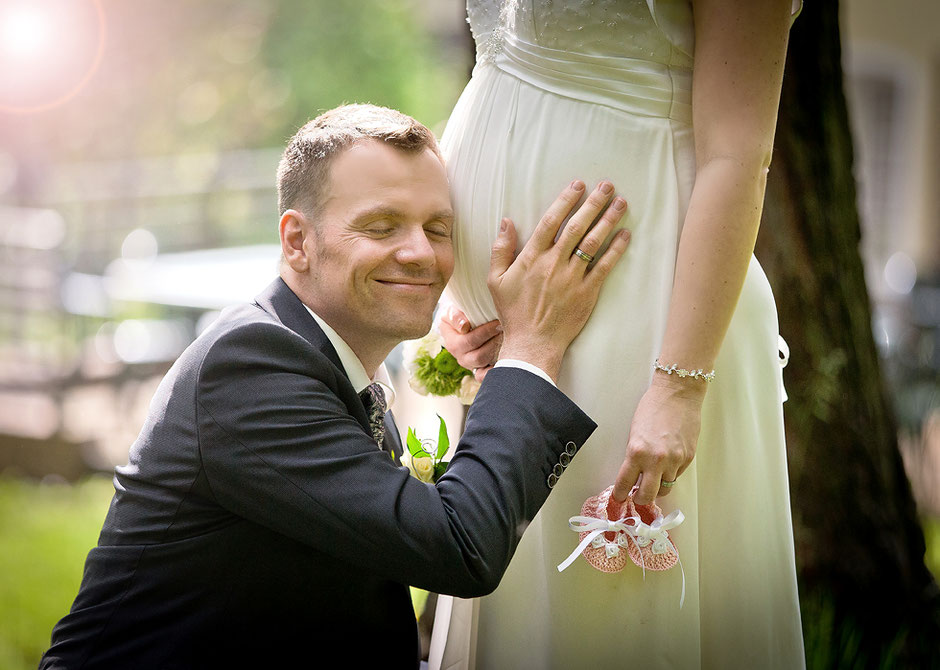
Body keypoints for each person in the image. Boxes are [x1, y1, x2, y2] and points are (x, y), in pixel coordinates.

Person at [39, 104, 632, 669]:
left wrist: (490, 386)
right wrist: (530, 353)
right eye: (381, 226)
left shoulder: (335, 362)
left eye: (437, 227)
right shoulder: (249, 365)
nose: (421, 253)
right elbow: (457, 546)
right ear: (297, 241)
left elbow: (398, 541)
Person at [433, 1, 806, 668]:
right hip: (519, 331)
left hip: (650, 311)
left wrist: (679, 386)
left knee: (620, 622)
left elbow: (738, 151)